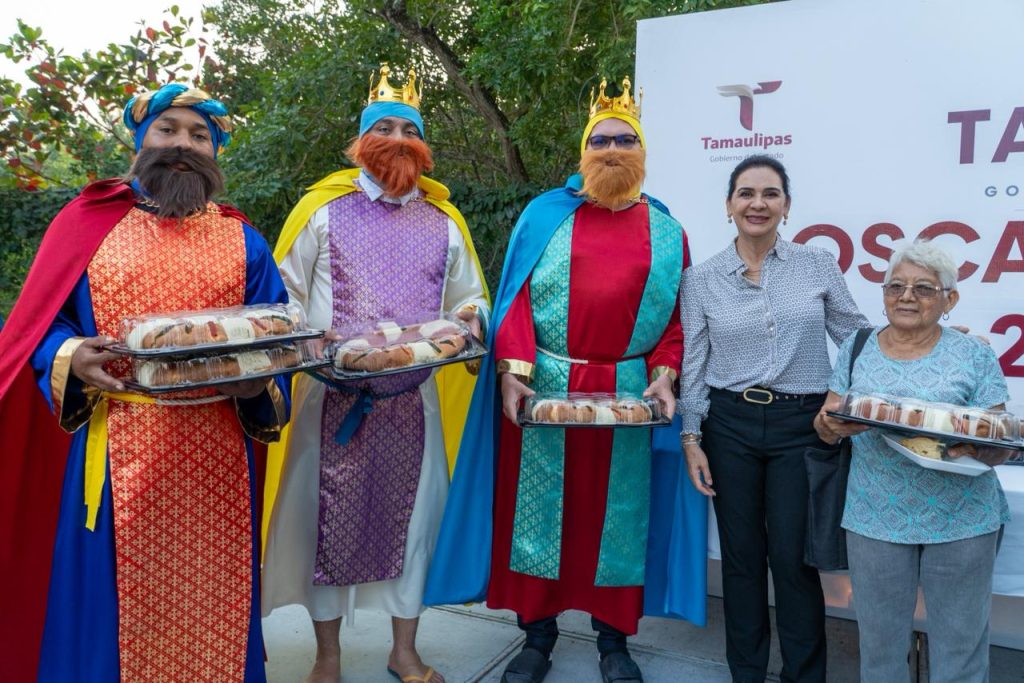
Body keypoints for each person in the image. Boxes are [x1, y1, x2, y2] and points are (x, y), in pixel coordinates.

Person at [0, 83, 289, 682]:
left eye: (199, 135)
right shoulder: (86, 223)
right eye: (168, 129)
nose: (182, 144)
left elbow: (276, 336)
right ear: (140, 141)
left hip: (214, 462)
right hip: (114, 455)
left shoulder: (245, 239)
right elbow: (41, 324)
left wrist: (255, 383)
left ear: (215, 152)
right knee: (108, 613)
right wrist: (73, 355)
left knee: (214, 595)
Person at [424, 76, 709, 683]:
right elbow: (517, 301)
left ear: (643, 154)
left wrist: (664, 379)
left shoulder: (668, 230)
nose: (612, 150)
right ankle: (537, 636)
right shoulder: (545, 216)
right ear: (583, 152)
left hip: (629, 393)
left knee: (619, 518)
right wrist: (511, 375)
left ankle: (613, 640)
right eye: (601, 140)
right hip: (547, 385)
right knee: (539, 515)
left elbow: (679, 319)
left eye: (625, 140)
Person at [260, 63, 490, 683]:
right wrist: (320, 343)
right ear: (360, 142)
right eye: (382, 127)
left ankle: (404, 651)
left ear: (424, 146)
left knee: (415, 524)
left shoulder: (446, 223)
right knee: (320, 523)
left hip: (413, 400)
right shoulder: (322, 211)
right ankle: (327, 657)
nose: (396, 139)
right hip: (329, 396)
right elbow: (283, 294)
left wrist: (467, 322)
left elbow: (471, 300)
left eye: (408, 129)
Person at [679, 155, 868, 682]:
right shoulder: (701, 280)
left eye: (769, 194)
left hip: (801, 427)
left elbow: (855, 338)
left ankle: (804, 676)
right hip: (730, 427)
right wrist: (692, 438)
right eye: (746, 193)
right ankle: (747, 674)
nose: (757, 203)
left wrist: (928, 345)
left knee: (794, 562)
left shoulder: (817, 265)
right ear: (728, 206)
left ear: (787, 205)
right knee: (741, 562)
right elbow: (693, 365)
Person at [815, 240, 1016, 683]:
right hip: (875, 516)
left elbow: (999, 435)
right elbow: (827, 422)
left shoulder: (973, 353)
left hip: (962, 517)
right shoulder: (857, 345)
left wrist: (977, 445)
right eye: (896, 286)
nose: (907, 297)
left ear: (950, 299)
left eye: (924, 288)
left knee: (961, 650)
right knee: (881, 648)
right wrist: (832, 426)